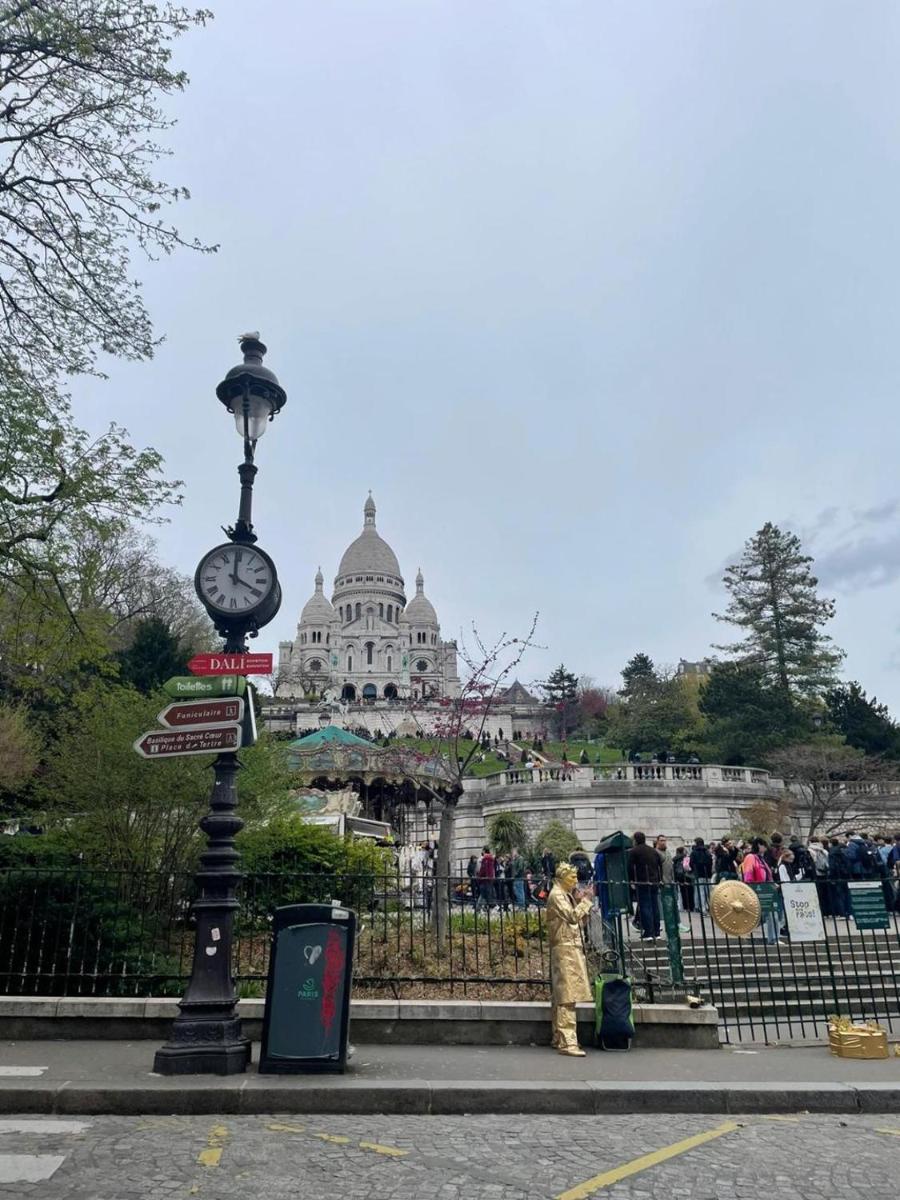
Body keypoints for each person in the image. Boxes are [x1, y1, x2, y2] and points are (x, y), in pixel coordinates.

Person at [546, 863, 593, 1056]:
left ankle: (558, 1036)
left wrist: (579, 901)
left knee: (562, 995)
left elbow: (577, 923)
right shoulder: (557, 895)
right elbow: (573, 917)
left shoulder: (564, 894)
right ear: (562, 877)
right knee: (567, 996)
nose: (575, 881)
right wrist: (587, 901)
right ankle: (568, 1041)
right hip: (565, 949)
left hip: (568, 947)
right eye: (572, 877)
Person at [741, 838, 781, 945]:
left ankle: (744, 930)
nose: (765, 847)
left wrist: (772, 884)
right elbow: (748, 874)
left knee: (765, 915)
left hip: (766, 890)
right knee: (769, 914)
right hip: (758, 890)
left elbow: (766, 875)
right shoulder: (751, 857)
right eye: (763, 845)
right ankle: (773, 939)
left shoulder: (761, 859)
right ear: (758, 845)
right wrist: (750, 888)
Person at [628, 831, 661, 939]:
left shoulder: (634, 851)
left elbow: (630, 867)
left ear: (635, 840)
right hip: (654, 881)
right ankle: (657, 931)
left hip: (642, 881)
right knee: (655, 906)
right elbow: (658, 866)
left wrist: (632, 880)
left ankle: (648, 932)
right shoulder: (653, 851)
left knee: (645, 906)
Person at [689, 837, 712, 914]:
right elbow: (710, 862)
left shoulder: (694, 852)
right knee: (708, 891)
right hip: (708, 874)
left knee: (701, 891)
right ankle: (710, 906)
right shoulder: (707, 852)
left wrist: (694, 870)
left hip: (699, 874)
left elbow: (691, 863)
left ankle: (703, 908)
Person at [674, 845, 694, 914]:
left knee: (682, 892)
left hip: (679, 877)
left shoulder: (675, 858)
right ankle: (690, 906)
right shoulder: (686, 857)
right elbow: (688, 867)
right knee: (689, 891)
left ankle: (685, 907)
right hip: (687, 876)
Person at [476, 846, 495, 911]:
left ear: (484, 851)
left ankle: (478, 908)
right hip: (489, 879)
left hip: (484, 879)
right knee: (486, 894)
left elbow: (482, 870)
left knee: (483, 894)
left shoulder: (485, 859)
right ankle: (485, 908)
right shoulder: (491, 858)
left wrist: (480, 877)